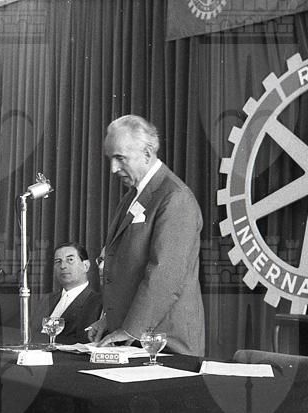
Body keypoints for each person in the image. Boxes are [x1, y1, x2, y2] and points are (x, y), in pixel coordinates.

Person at [87, 114, 205, 356]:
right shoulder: (133, 196)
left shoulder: (175, 197)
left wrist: (130, 330)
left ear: (147, 153)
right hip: (137, 338)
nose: (113, 169)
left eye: (120, 158)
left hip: (165, 344)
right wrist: (108, 319)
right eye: (111, 159)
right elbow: (128, 271)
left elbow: (165, 275)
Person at [45, 242, 101, 344]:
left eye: (70, 260)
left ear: (86, 266)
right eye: (58, 261)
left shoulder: (99, 303)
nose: (63, 266)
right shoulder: (46, 300)